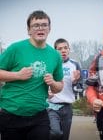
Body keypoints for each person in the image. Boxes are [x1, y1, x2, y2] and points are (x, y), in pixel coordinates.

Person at [0, 10, 64, 140]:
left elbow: (59, 86)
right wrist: (18, 75)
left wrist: (53, 83)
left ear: (49, 29)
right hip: (11, 114)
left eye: (44, 25)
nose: (40, 28)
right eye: (36, 25)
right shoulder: (16, 48)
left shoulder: (55, 55)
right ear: (29, 30)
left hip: (39, 116)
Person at [47, 38, 82, 140]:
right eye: (60, 48)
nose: (63, 50)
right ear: (55, 51)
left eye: (65, 48)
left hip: (67, 107)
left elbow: (80, 86)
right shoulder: (50, 64)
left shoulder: (75, 65)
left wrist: (76, 83)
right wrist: (46, 92)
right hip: (52, 106)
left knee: (64, 137)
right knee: (55, 133)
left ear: (69, 49)